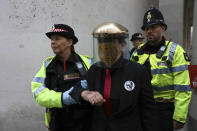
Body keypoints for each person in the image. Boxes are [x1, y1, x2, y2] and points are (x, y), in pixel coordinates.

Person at [70, 22, 159, 131]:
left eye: (110, 41)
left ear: (122, 44)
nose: (105, 48)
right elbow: (76, 89)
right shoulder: (94, 70)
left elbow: (148, 110)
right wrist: (84, 94)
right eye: (101, 42)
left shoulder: (138, 71)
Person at [130, 7, 192, 131]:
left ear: (163, 28)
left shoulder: (175, 51)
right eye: (146, 28)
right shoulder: (137, 53)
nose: (149, 31)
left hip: (163, 109)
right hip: (140, 108)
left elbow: (182, 87)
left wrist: (179, 117)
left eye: (153, 27)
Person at [31, 24, 92, 131]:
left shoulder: (88, 62)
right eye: (52, 39)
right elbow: (38, 92)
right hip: (57, 123)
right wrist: (62, 98)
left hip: (85, 124)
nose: (53, 42)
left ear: (70, 42)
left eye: (58, 39)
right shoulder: (47, 65)